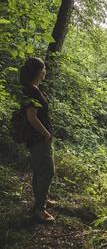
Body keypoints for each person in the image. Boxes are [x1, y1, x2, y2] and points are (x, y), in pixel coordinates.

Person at [20, 57, 55, 222]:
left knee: (39, 171)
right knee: (47, 172)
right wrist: (46, 134)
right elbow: (31, 117)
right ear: (38, 72)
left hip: (38, 138)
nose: (45, 71)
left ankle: (40, 202)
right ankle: (40, 211)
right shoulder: (32, 91)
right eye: (44, 69)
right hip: (39, 138)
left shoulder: (33, 88)